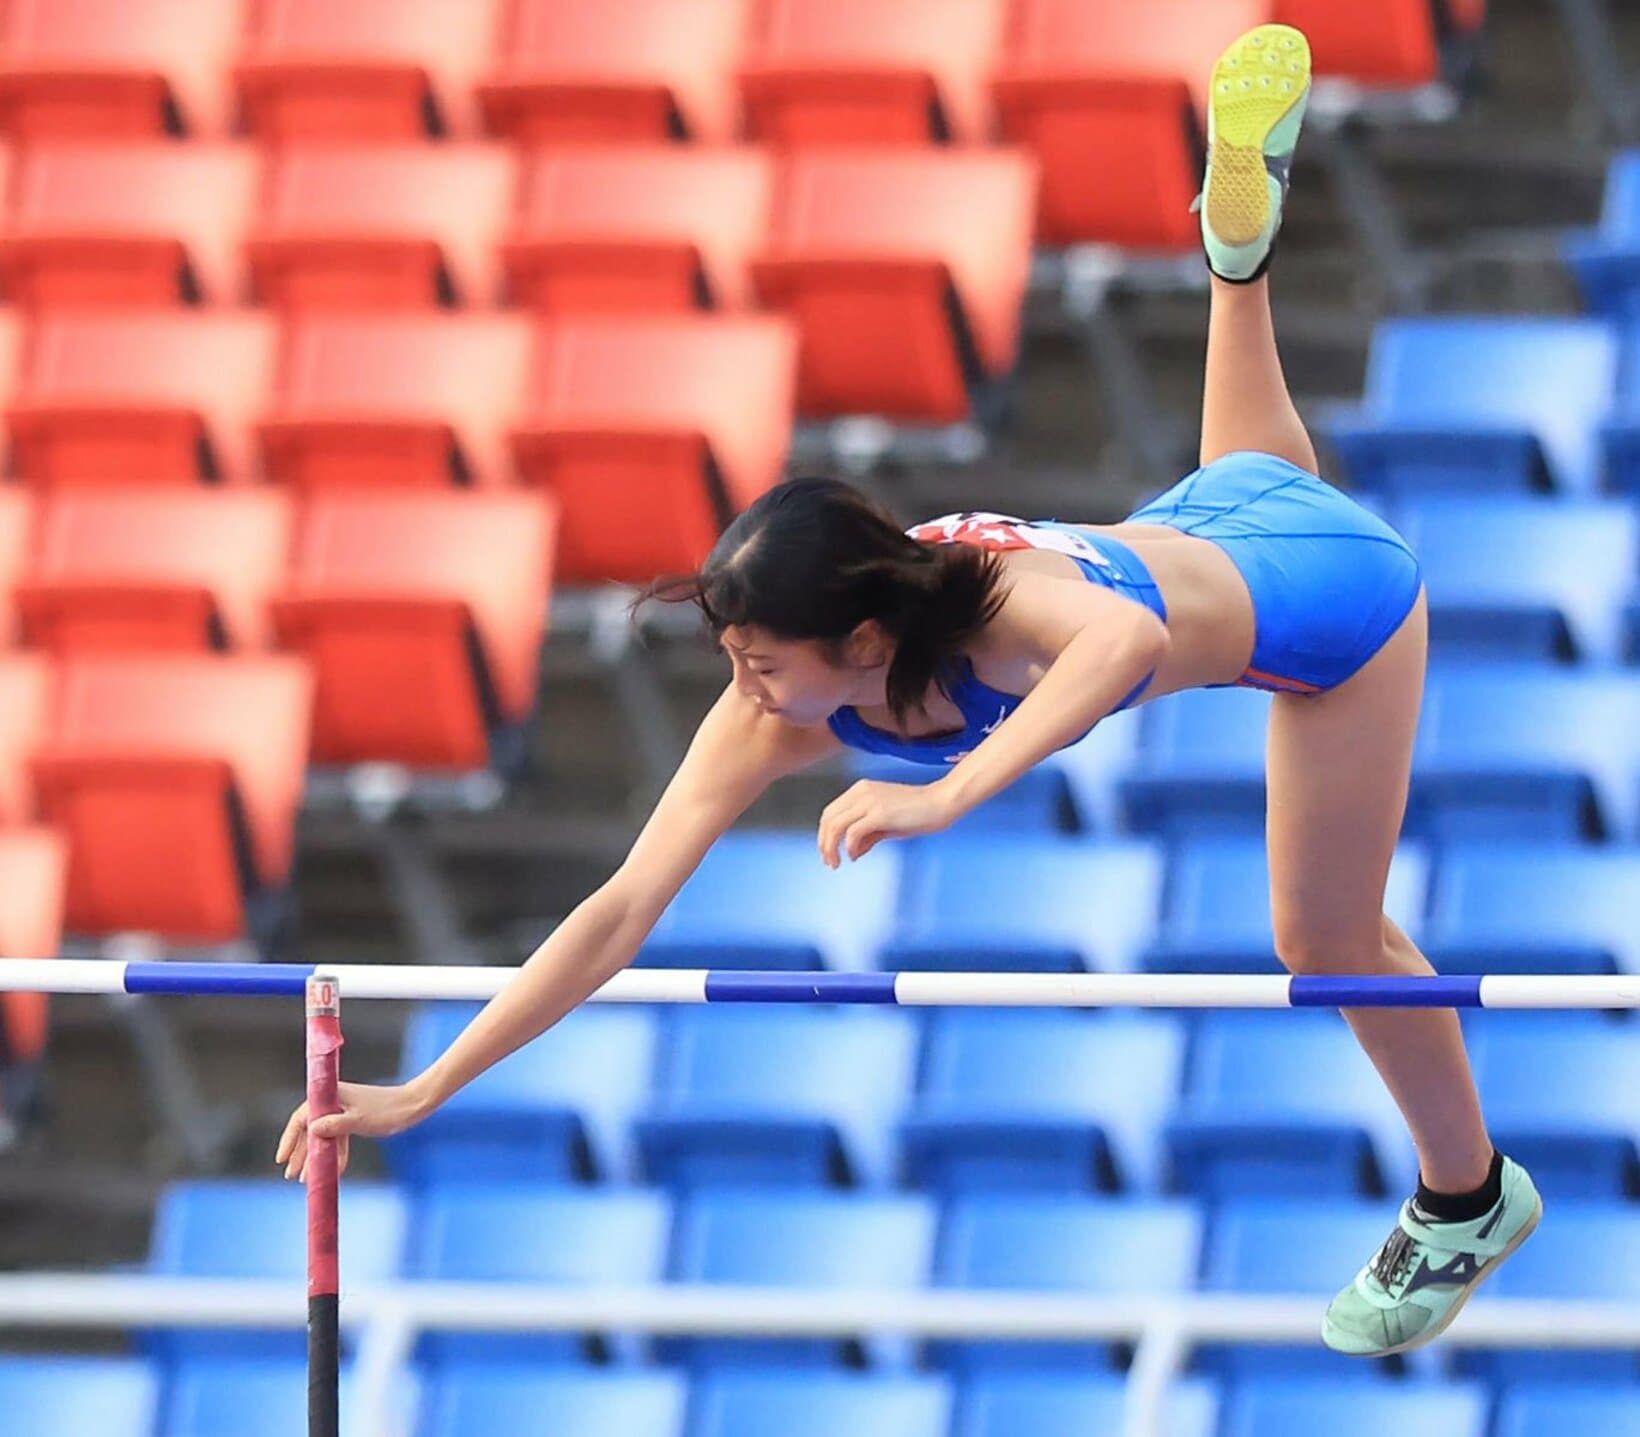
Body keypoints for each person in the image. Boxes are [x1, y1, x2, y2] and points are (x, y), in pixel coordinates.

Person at [276, 23, 1540, 1357]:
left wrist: (950, 801)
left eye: (763, 652)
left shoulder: (996, 603)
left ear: (868, 639)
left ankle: (1468, 1193)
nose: (744, 683)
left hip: (1343, 606)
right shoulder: (782, 698)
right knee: (1248, 500)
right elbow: (619, 909)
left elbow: (1117, 648)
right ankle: (1236, 265)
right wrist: (429, 1084)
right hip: (1223, 515)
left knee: (1326, 940)